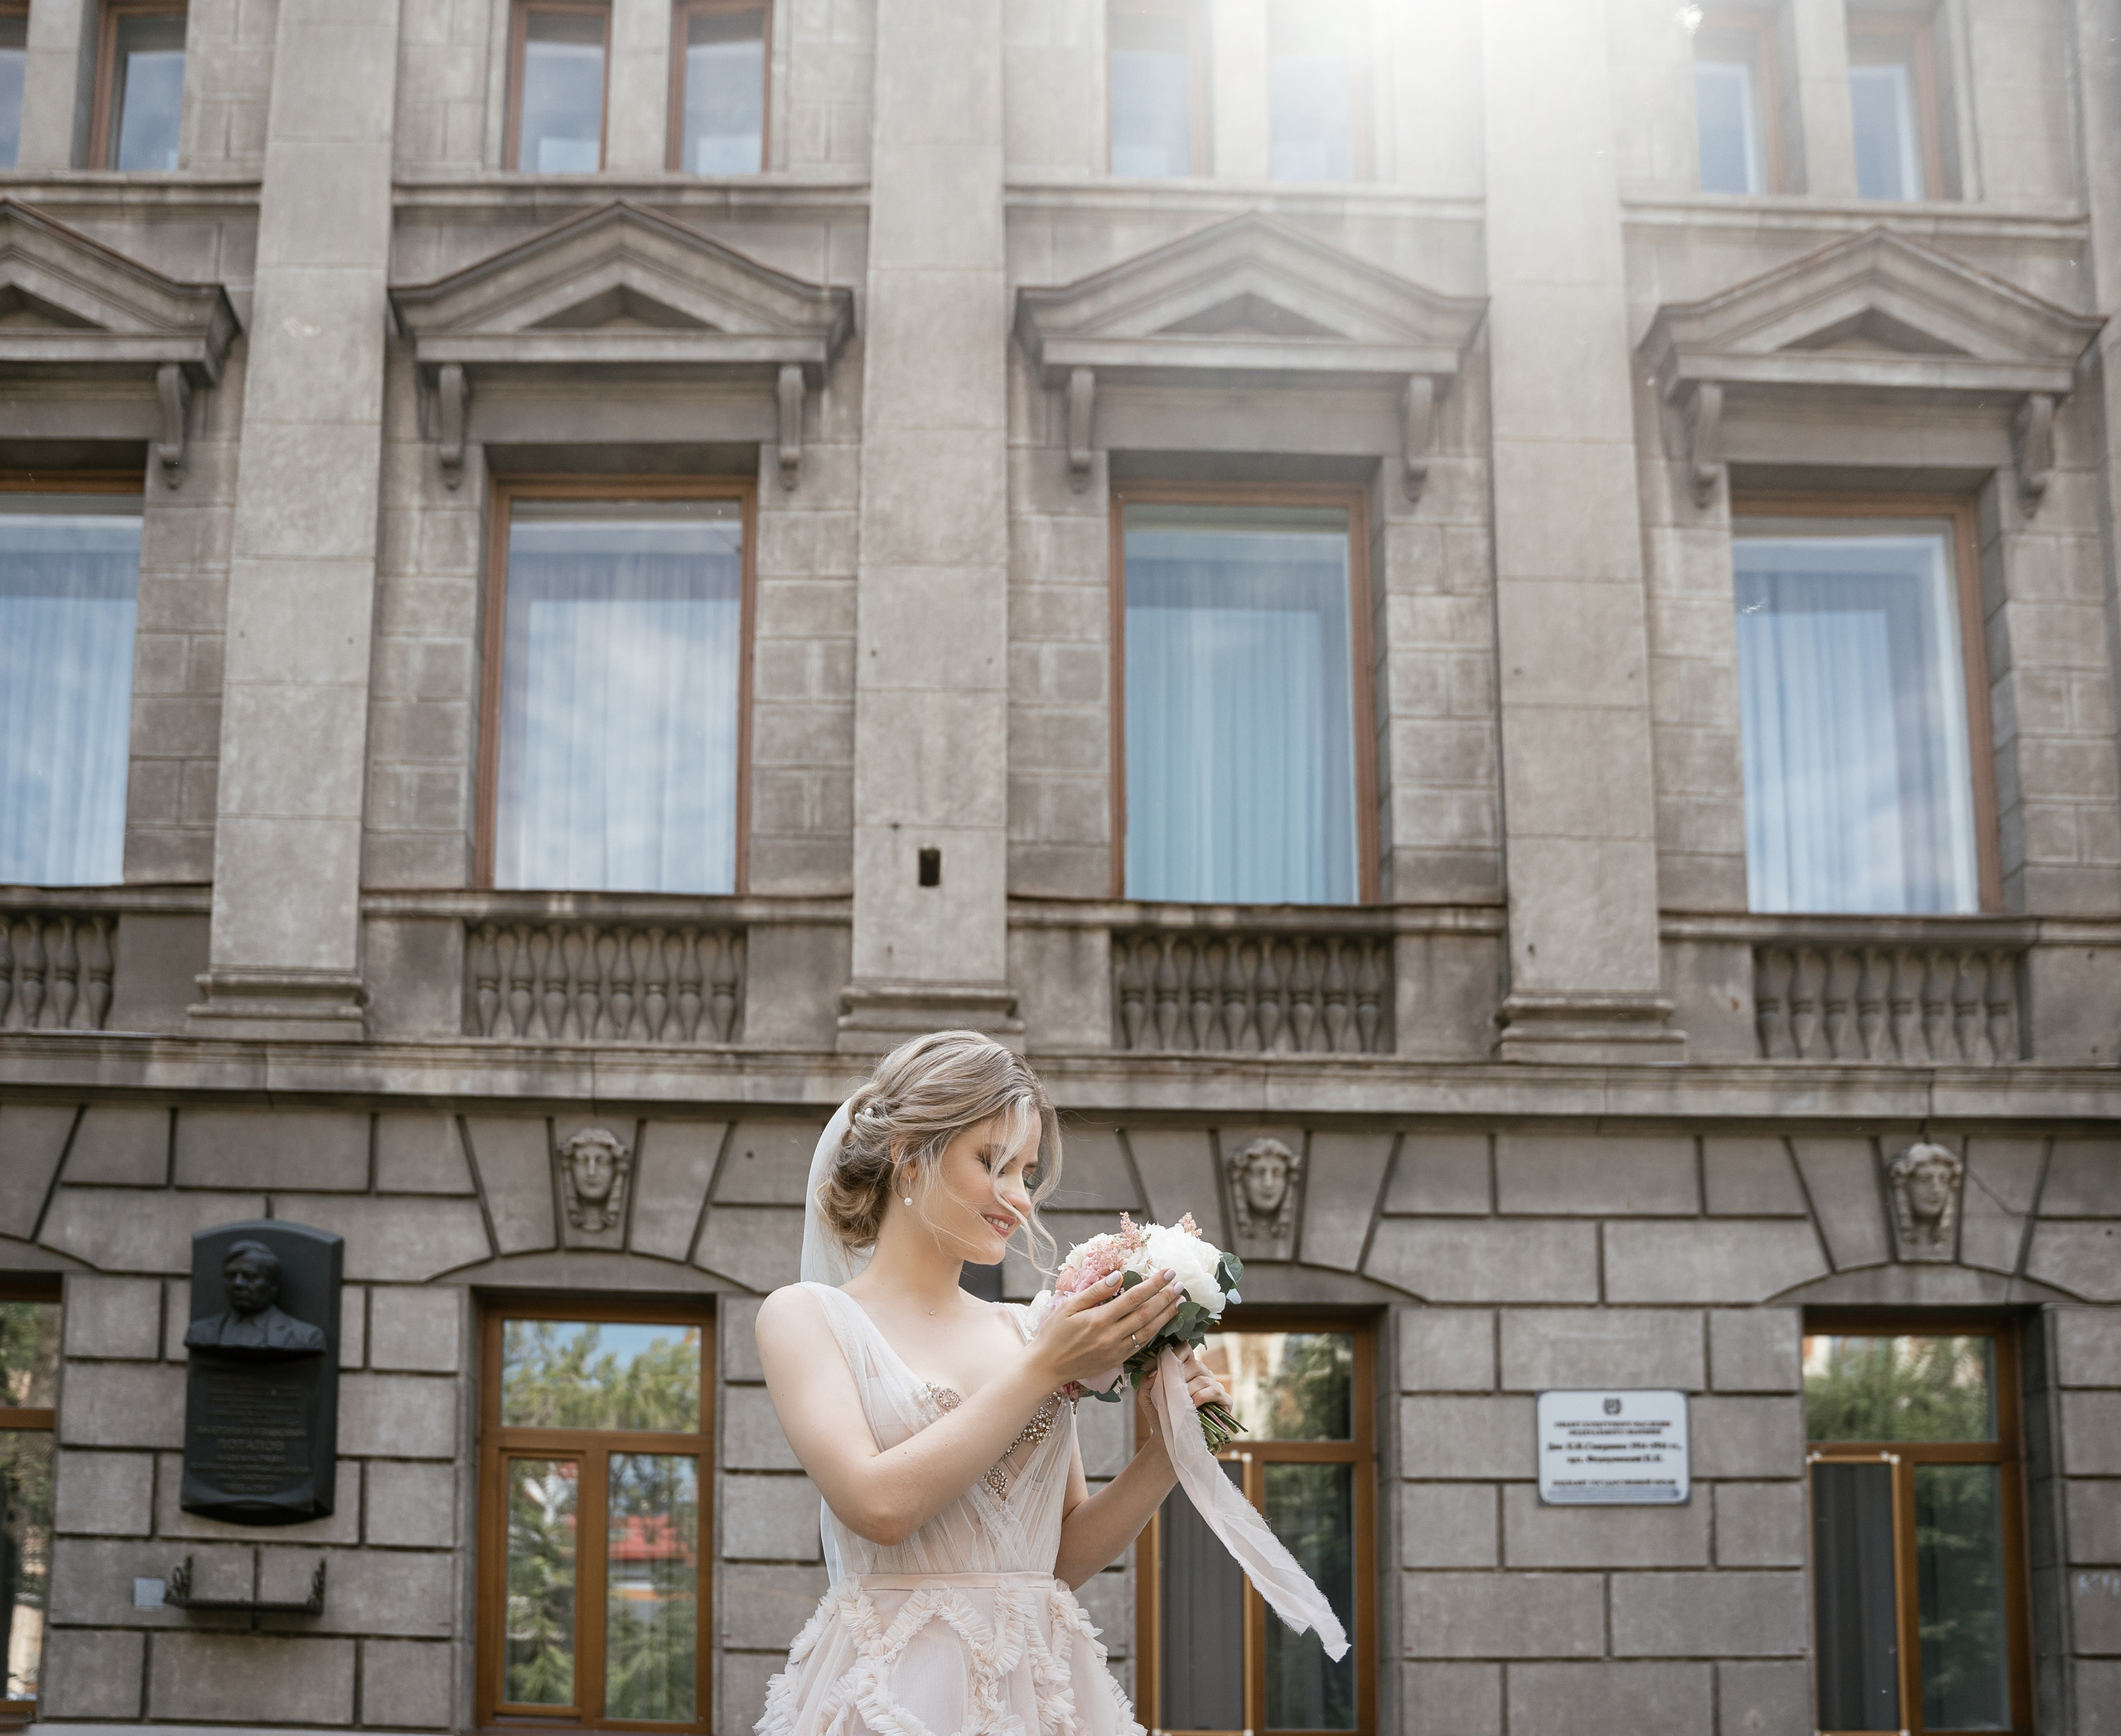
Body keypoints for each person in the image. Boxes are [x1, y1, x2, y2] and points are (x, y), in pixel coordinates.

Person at [754, 1029, 1232, 1736]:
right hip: (895, 1694)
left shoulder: (1028, 1329)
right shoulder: (806, 1316)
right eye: (992, 1162)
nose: (1018, 1198)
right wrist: (1045, 1367)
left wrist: (1166, 1453)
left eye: (1027, 1173)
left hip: (1036, 1693)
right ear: (907, 1153)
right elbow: (877, 1506)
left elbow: (1058, 1558)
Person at [183, 1240, 326, 1356]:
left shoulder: (305, 1338)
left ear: (273, 1283)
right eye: (230, 1276)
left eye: (250, 1276)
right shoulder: (199, 1333)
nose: (238, 1284)